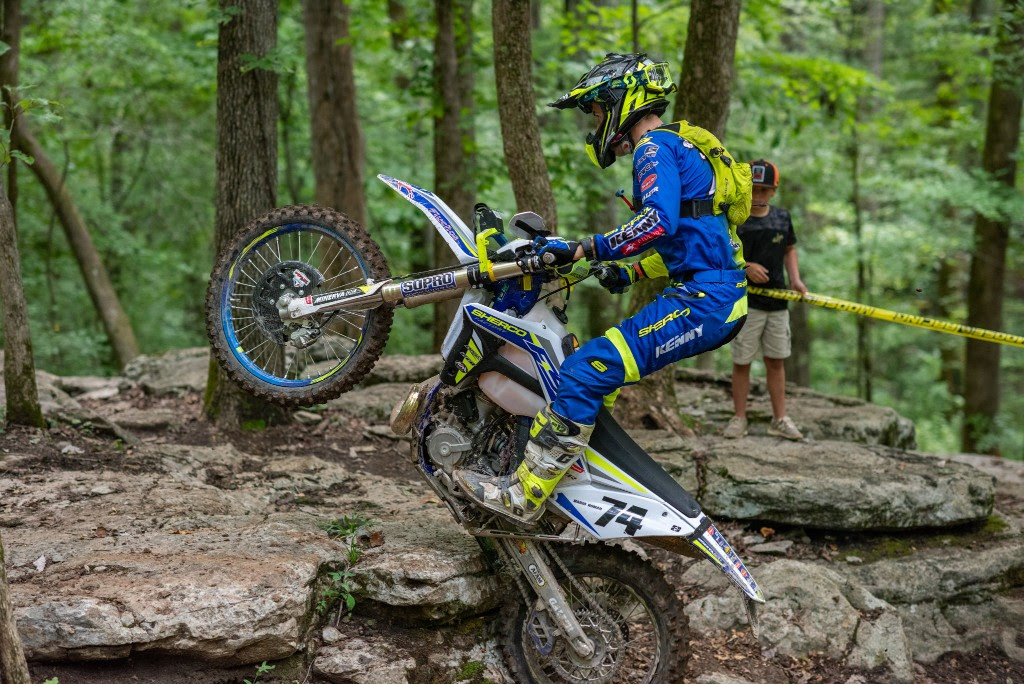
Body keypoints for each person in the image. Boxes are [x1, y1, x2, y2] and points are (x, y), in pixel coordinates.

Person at [454, 53, 748, 524]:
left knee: (585, 370)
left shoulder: (654, 148)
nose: (594, 123)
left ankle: (526, 496)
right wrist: (626, 273)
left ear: (618, 101)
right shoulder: (676, 146)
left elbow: (657, 222)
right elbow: (694, 237)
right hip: (706, 294)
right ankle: (574, 476)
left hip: (704, 302)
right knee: (595, 374)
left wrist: (589, 247)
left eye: (595, 111)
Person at [722, 160, 807, 440]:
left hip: (778, 302)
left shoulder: (783, 217)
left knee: (776, 361)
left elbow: (790, 249)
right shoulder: (737, 219)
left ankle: (780, 418)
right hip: (746, 302)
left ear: (774, 191)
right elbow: (723, 255)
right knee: (742, 360)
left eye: (764, 190)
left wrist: (795, 279)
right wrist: (746, 266)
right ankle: (739, 418)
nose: (758, 196)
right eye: (754, 190)